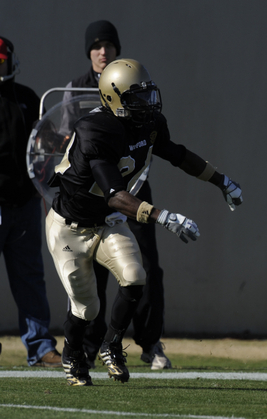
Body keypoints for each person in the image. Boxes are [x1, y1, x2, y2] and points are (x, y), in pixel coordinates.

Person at [46, 58, 243, 386]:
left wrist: (222, 181)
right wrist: (163, 216)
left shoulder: (149, 123)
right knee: (87, 309)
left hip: (106, 220)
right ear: (113, 98)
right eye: (137, 97)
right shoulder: (94, 129)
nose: (148, 104)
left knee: (137, 277)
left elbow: (177, 154)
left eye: (148, 94)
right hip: (70, 226)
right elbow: (113, 193)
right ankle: (72, 352)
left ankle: (112, 346)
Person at [63, 20, 172, 370]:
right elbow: (62, 139)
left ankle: (150, 342)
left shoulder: (134, 84)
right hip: (95, 192)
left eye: (108, 45)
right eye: (96, 46)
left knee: (145, 267)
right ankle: (93, 345)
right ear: (89, 52)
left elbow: (166, 143)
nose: (102, 51)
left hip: (134, 185)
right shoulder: (75, 89)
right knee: (92, 269)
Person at [0, 36, 62, 368]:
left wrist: (60, 139)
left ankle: (40, 347)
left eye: (1, 61)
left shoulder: (26, 98)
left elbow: (44, 145)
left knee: (30, 278)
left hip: (23, 206)